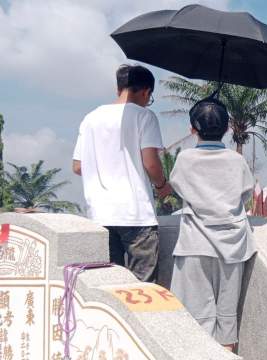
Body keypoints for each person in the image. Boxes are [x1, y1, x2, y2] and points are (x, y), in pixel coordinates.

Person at [168, 98, 255, 352]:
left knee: (195, 319)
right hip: (233, 246)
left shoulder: (185, 159)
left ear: (192, 128)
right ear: (227, 128)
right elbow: (246, 193)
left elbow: (177, 187)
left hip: (195, 244)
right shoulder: (236, 161)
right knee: (227, 320)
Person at [72, 64, 170, 282]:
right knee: (143, 288)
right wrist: (162, 185)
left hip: (100, 215)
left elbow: (78, 166)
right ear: (146, 92)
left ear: (119, 88)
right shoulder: (144, 116)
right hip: (136, 215)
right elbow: (151, 163)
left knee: (110, 285)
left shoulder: (90, 118)